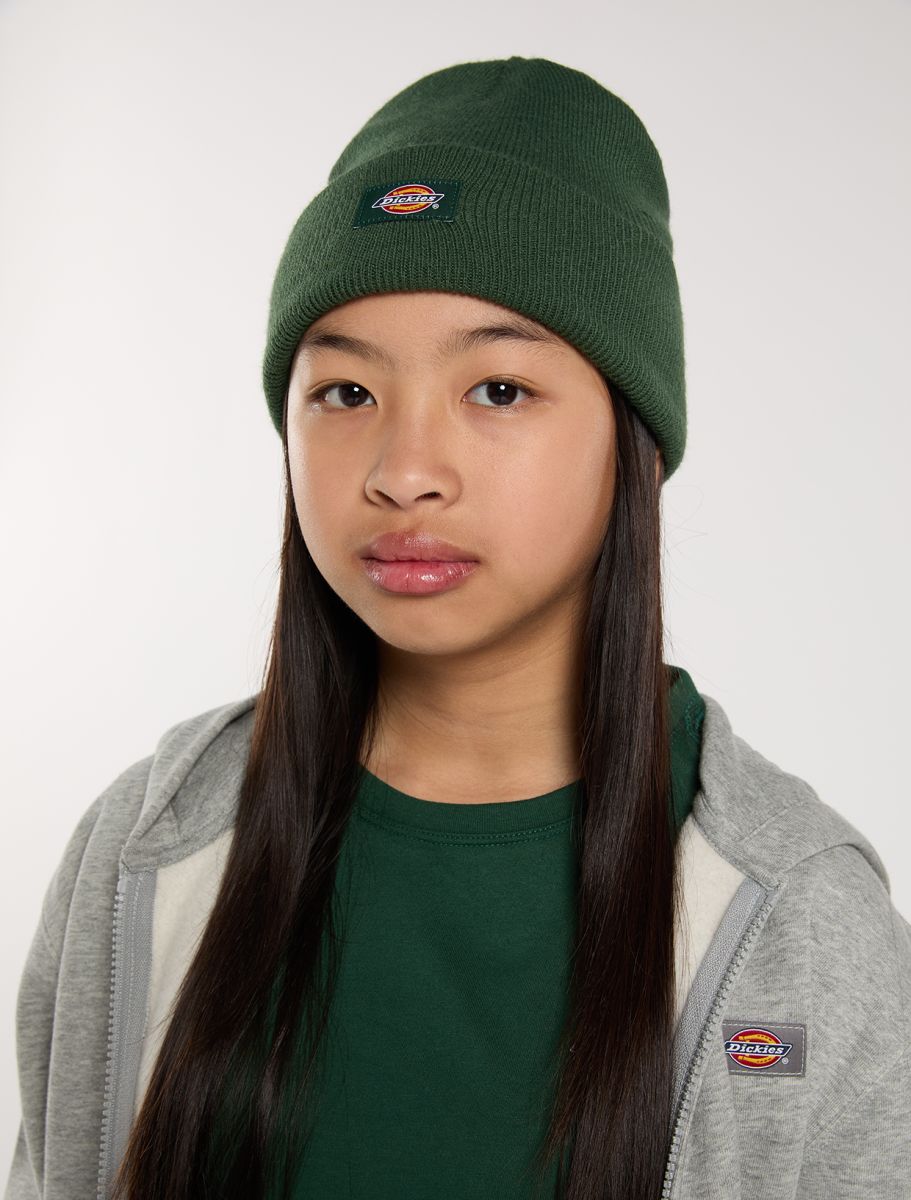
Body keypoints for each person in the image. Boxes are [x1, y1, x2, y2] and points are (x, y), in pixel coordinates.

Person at [5, 56, 910, 1200]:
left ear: (631, 440)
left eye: (497, 390)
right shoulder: (144, 848)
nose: (403, 470)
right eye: (345, 393)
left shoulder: (795, 915)